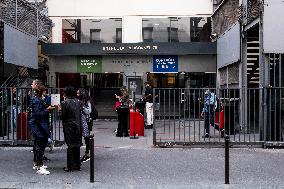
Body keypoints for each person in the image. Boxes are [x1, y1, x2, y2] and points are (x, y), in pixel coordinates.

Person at [29, 83, 54, 175]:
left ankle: (37, 163)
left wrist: (47, 109)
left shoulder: (37, 99)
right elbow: (38, 114)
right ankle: (39, 166)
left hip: (38, 125)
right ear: (40, 92)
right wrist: (48, 110)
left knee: (38, 145)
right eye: (44, 91)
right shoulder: (37, 101)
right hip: (38, 125)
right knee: (40, 145)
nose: (45, 93)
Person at [60, 86, 82, 172]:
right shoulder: (78, 102)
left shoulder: (64, 103)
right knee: (77, 145)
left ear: (66, 93)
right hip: (77, 125)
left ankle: (70, 166)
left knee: (70, 146)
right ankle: (77, 164)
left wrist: (59, 111)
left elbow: (63, 116)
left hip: (69, 126)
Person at [77, 88, 92, 163]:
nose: (77, 95)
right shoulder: (77, 101)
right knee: (79, 137)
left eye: (78, 93)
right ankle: (78, 153)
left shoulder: (87, 102)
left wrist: (82, 107)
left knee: (86, 137)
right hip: (78, 121)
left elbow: (89, 111)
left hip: (85, 122)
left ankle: (87, 153)